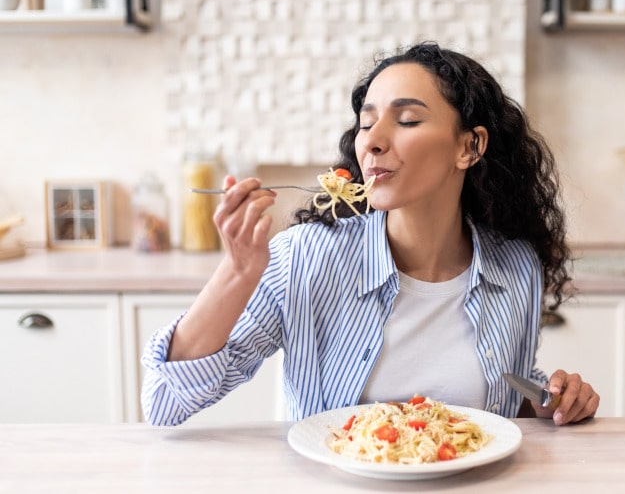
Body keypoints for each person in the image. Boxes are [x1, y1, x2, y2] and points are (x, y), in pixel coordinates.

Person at [141, 42, 600, 426]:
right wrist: (238, 272)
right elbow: (164, 403)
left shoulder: (516, 267)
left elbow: (503, 398)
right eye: (366, 122)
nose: (372, 141)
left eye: (407, 121)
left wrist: (553, 399)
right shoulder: (306, 258)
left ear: (469, 146)